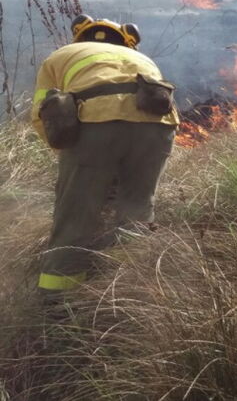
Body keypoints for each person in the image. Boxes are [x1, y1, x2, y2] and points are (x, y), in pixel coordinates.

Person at [31, 15, 179, 300]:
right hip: (160, 128)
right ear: (128, 40)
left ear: (80, 35)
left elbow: (43, 113)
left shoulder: (61, 55)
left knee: (75, 219)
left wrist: (71, 160)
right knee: (137, 210)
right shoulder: (143, 59)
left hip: (95, 123)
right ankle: (129, 295)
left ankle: (58, 308)